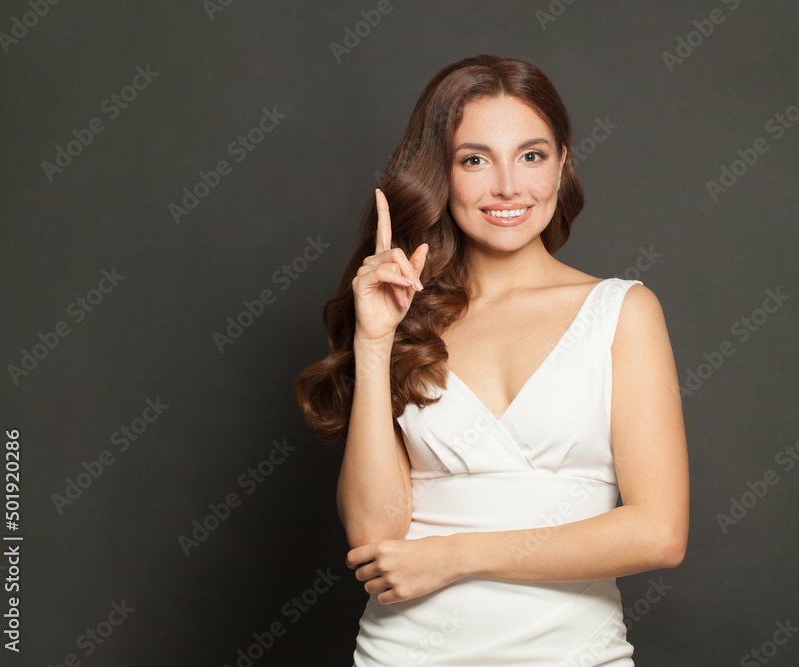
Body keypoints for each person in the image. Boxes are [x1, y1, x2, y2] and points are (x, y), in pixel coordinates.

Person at [295, 54, 689, 666]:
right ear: (442, 174)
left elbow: (659, 533)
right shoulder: (406, 319)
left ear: (562, 164)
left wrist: (455, 555)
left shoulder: (622, 312)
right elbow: (374, 538)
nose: (507, 185)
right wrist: (373, 343)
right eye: (474, 159)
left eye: (530, 155)